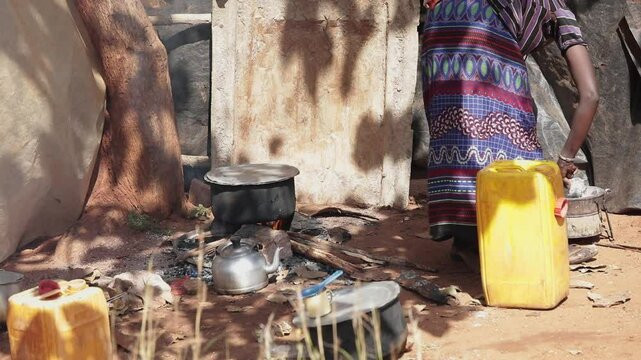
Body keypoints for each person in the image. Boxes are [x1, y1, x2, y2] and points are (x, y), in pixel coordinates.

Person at [421, 0, 599, 267]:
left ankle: (466, 242)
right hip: (482, 26)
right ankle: (523, 246)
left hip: (439, 21)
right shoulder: (559, 11)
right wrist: (565, 158)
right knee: (516, 144)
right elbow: (591, 95)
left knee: (453, 126)